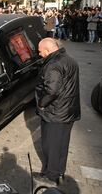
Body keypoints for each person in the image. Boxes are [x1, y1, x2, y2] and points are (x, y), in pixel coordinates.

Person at [35, 38, 81, 185]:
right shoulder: (69, 59)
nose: (39, 54)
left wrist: (41, 105)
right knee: (61, 144)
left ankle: (51, 176)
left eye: (40, 51)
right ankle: (59, 172)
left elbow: (52, 91)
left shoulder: (53, 65)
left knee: (52, 145)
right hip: (68, 110)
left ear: (48, 50)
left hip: (56, 112)